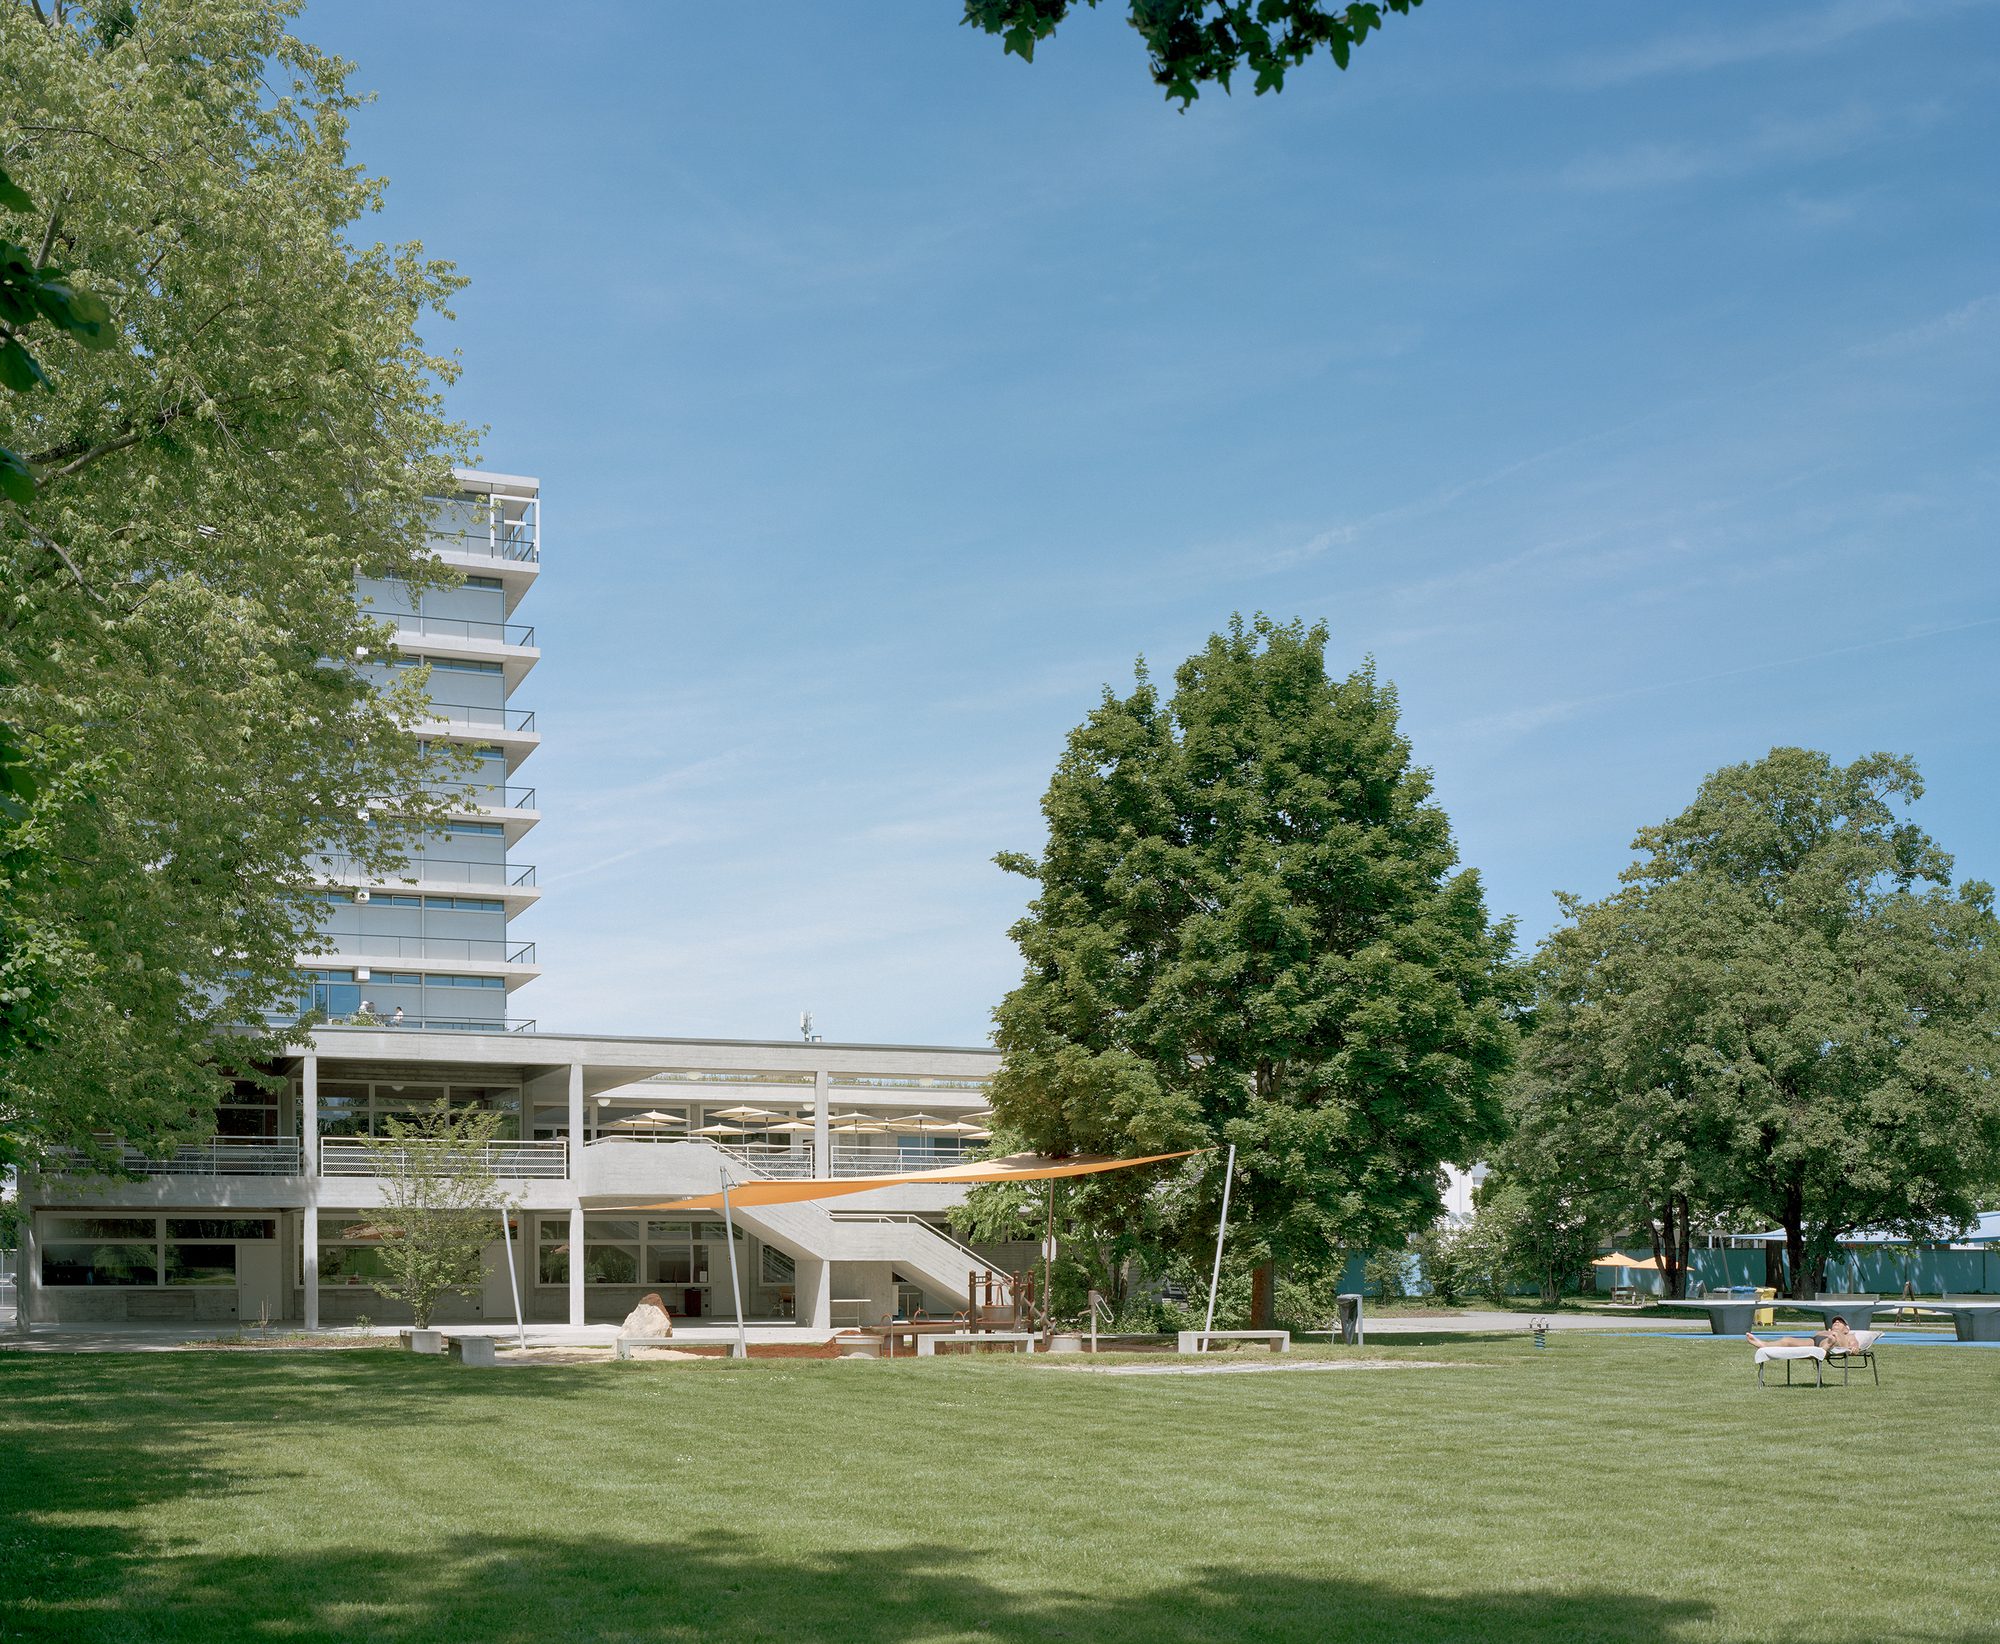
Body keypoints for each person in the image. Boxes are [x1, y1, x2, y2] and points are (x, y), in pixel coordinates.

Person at [1746, 1314, 1859, 1352]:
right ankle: (1763, 1345)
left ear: (1846, 1329)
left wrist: (1854, 1348)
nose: (1837, 1322)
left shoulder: (1848, 1335)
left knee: (1834, 1336)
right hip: (1815, 1341)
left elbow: (1854, 1344)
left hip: (1834, 1341)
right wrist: (1826, 1333)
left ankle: (1826, 1346)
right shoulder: (1826, 1331)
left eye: (1840, 1322)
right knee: (1787, 1340)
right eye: (1835, 1322)